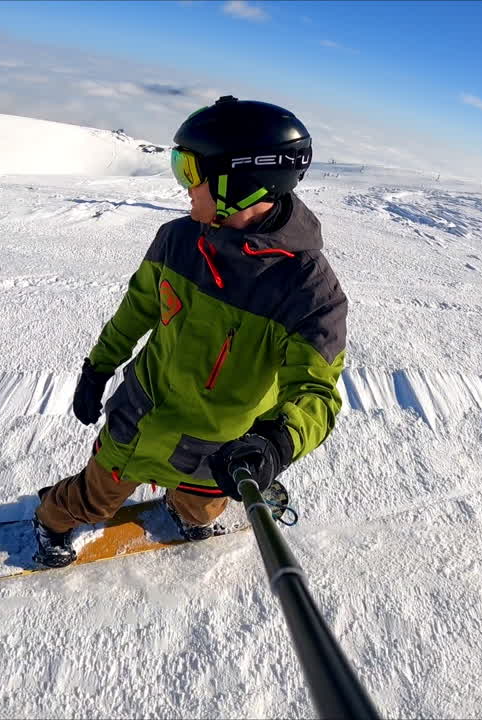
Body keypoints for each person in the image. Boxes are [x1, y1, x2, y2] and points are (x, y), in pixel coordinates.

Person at [32, 96, 348, 567]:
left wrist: (276, 443)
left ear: (238, 183)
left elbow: (317, 393)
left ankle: (190, 513)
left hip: (219, 446)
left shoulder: (308, 292)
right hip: (141, 420)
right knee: (93, 501)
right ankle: (50, 519)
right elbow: (135, 310)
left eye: (190, 171)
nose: (184, 187)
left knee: (200, 508)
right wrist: (98, 367)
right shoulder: (177, 240)